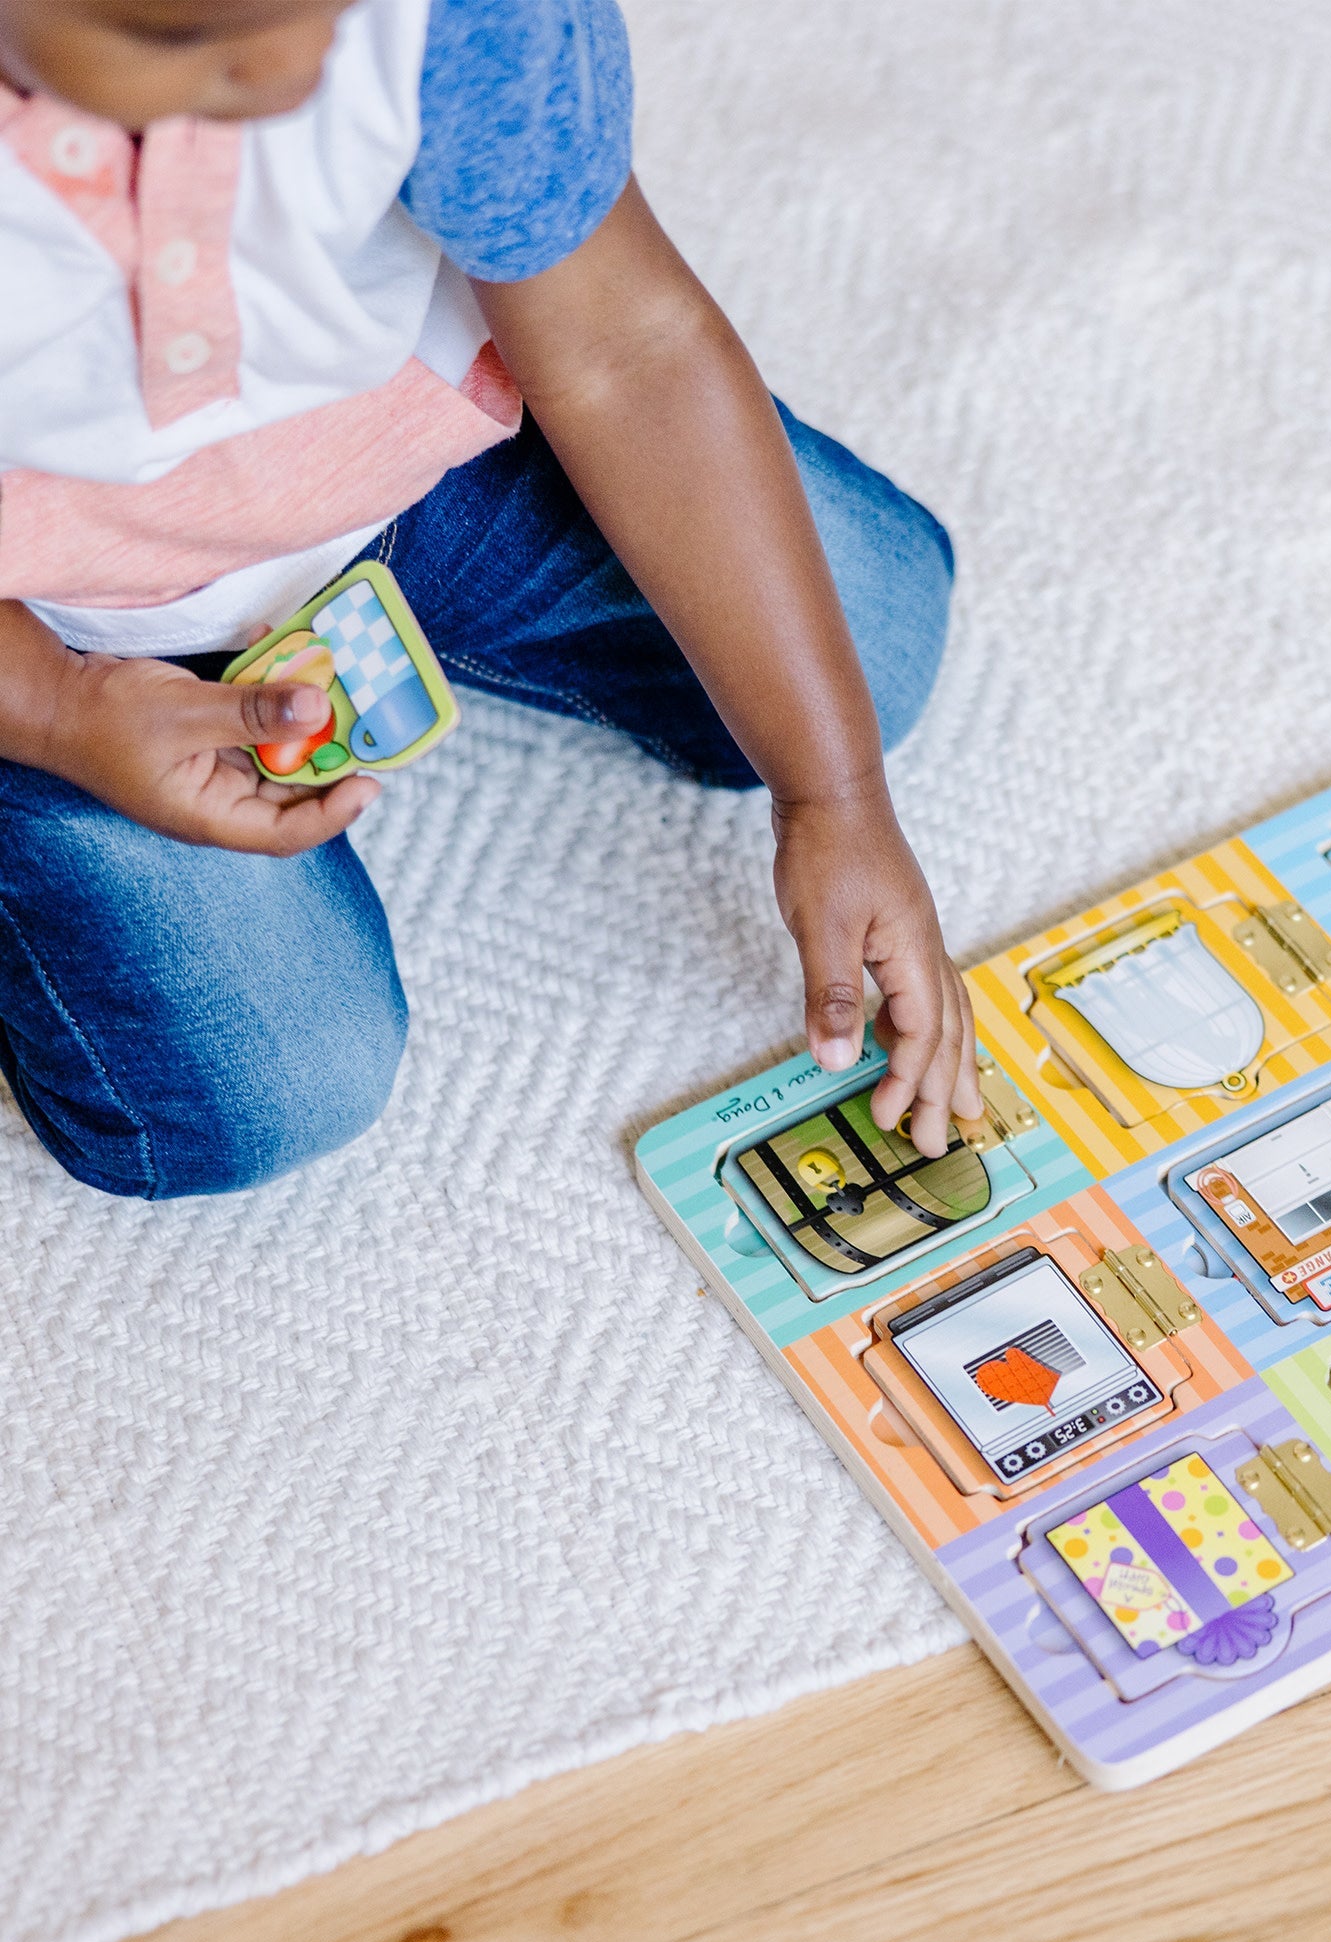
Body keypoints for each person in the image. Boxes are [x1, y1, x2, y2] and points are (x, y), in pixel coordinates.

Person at [0, 0, 981, 1198]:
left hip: (424, 471)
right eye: (176, 40)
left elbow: (632, 346)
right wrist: (58, 707)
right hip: (56, 625)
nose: (291, 66)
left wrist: (833, 794)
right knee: (267, 1091)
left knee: (872, 652)